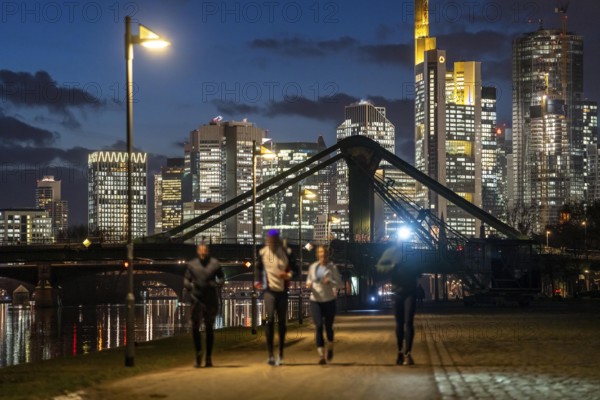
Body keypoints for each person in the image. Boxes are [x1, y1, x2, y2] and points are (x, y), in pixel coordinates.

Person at [255, 230, 298, 366]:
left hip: (282, 291)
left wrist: (288, 276)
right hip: (269, 292)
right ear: (267, 241)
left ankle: (280, 353)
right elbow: (258, 268)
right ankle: (270, 355)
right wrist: (257, 281)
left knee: (282, 323)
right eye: (269, 241)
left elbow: (296, 270)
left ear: (278, 241)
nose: (271, 243)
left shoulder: (287, 252)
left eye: (274, 241)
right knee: (270, 320)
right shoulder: (262, 253)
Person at [376, 244, 421, 366]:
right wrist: (391, 267)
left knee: (409, 322)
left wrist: (415, 269)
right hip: (397, 292)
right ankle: (400, 351)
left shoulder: (413, 252)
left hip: (410, 291)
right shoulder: (390, 252)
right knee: (399, 323)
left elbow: (420, 269)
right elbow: (379, 267)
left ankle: (408, 354)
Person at [183, 243, 224, 368]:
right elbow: (186, 279)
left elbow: (221, 277)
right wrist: (189, 286)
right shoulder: (192, 265)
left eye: (204, 250)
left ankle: (208, 358)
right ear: (197, 251)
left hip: (210, 299)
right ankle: (199, 354)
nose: (202, 253)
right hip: (197, 299)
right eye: (200, 250)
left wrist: (218, 284)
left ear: (208, 251)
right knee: (195, 328)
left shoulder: (215, 264)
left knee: (209, 329)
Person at [306, 245, 342, 364]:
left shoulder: (332, 267)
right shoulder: (313, 267)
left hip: (329, 300)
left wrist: (330, 281)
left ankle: (330, 348)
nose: (322, 254)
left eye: (324, 253)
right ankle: (322, 356)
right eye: (320, 252)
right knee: (319, 326)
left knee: (328, 327)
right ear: (317, 254)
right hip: (315, 300)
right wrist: (309, 284)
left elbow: (340, 284)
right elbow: (308, 281)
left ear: (327, 254)